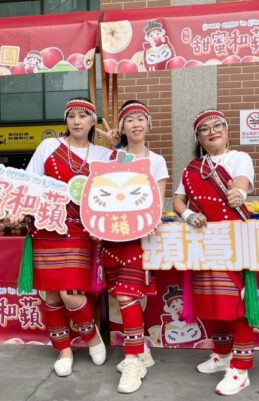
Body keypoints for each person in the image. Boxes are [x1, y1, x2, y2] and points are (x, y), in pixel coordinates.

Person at [25, 97, 111, 377]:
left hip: (80, 231)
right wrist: (18, 208)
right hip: (47, 228)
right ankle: (64, 350)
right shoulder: (49, 146)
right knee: (51, 295)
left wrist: (118, 145)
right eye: (71, 115)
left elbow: (125, 178)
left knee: (70, 294)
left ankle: (92, 338)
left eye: (83, 116)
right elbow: (29, 182)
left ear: (92, 122)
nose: (76, 121)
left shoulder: (103, 154)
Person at [173, 109, 256, 396]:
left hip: (233, 241)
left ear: (226, 129)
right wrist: (188, 216)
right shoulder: (191, 168)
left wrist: (238, 194)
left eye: (217, 125)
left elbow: (241, 183)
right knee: (213, 301)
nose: (212, 131)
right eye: (204, 129)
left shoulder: (239, 158)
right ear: (198, 138)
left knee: (237, 305)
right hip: (204, 242)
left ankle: (241, 370)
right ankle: (222, 355)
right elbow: (178, 201)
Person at [98, 100, 169, 393]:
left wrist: (148, 221)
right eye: (129, 120)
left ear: (148, 124)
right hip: (113, 237)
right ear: (123, 128)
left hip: (141, 238)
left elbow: (158, 202)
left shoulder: (157, 160)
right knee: (124, 297)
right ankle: (142, 351)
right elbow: (102, 195)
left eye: (141, 119)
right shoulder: (114, 157)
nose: (136, 124)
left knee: (129, 296)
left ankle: (132, 360)